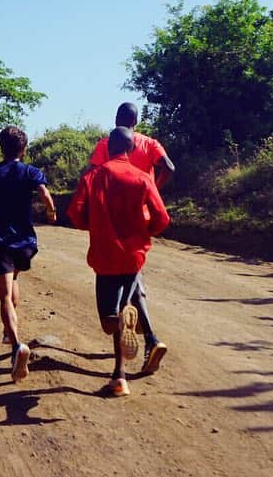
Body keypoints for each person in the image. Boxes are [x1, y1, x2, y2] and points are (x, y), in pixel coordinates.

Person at [68, 127, 170, 397]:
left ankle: (119, 376)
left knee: (108, 320)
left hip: (104, 256)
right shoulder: (142, 178)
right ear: (131, 148)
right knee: (126, 301)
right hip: (134, 257)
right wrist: (142, 233)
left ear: (108, 147)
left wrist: (96, 225)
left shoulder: (93, 176)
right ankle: (120, 371)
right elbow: (162, 219)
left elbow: (76, 215)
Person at [86, 102, 174, 374]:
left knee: (119, 285)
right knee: (133, 275)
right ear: (137, 121)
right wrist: (154, 193)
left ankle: (141, 347)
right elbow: (169, 167)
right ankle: (148, 339)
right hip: (143, 215)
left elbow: (91, 176)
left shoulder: (106, 144)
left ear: (116, 121)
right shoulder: (149, 143)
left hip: (111, 220)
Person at [0, 126, 57, 383]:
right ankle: (10, 332)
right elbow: (44, 193)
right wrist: (51, 212)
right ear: (24, 148)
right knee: (14, 279)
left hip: (1, 241)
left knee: (5, 296)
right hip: (27, 242)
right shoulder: (31, 171)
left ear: (0, 147)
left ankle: (17, 345)